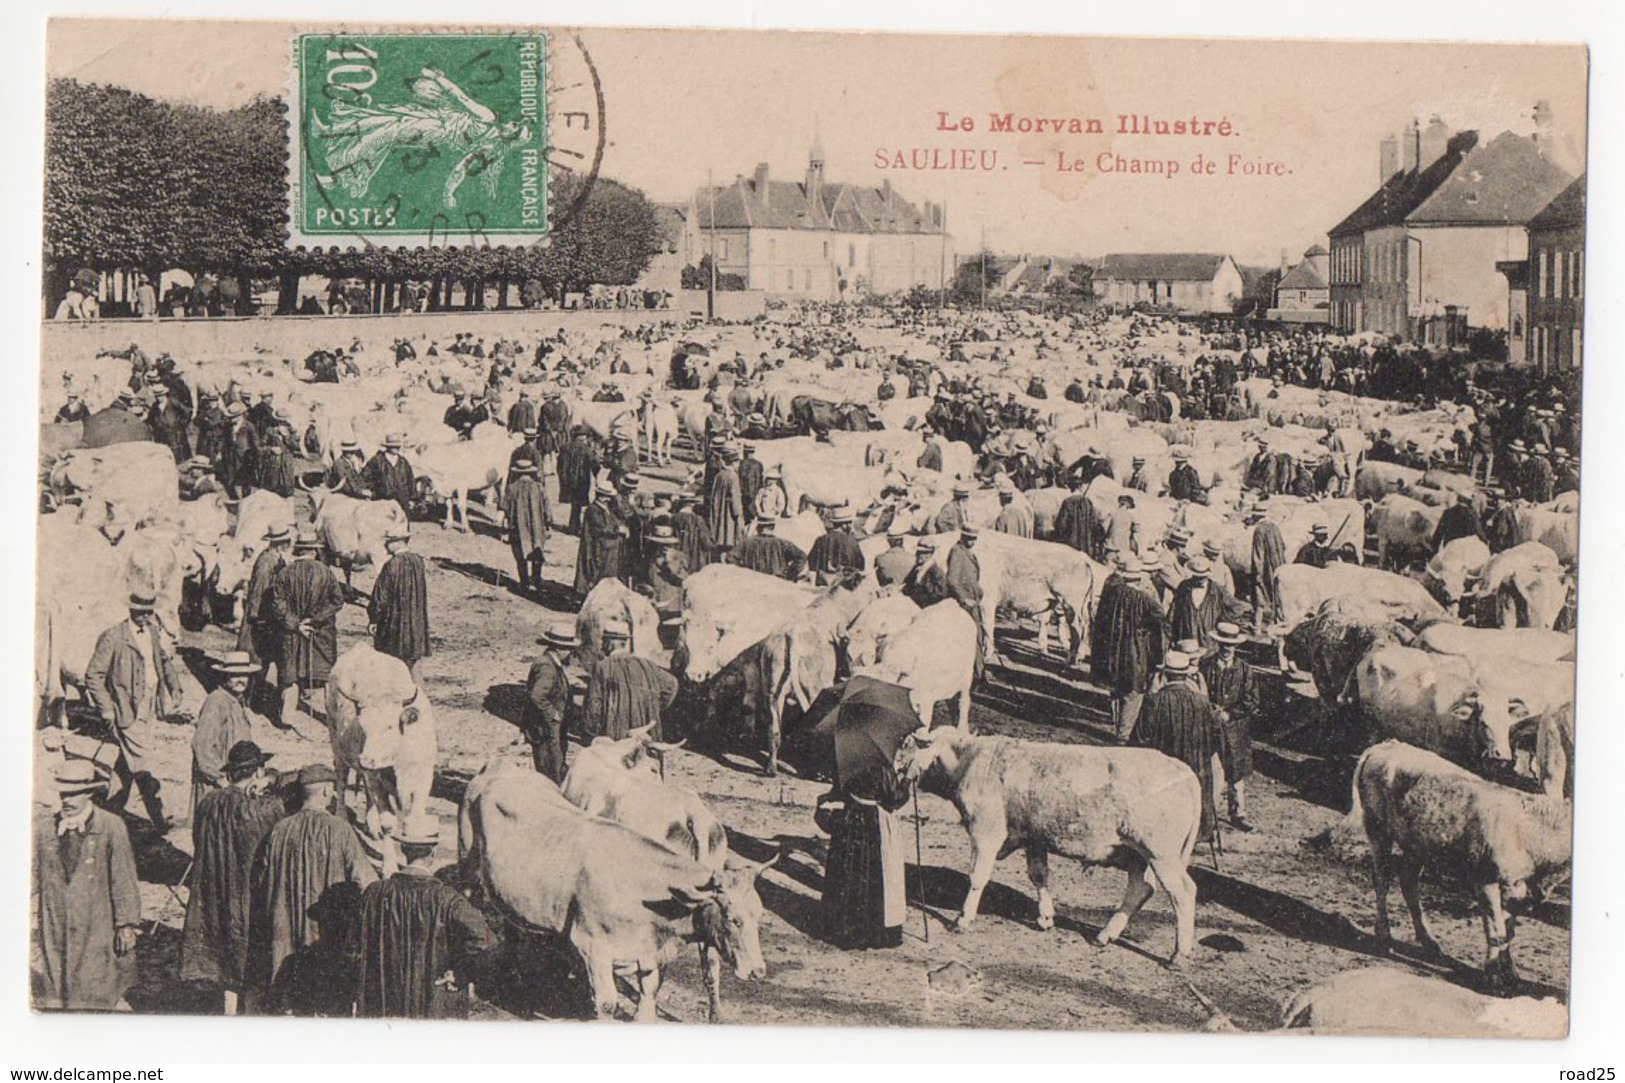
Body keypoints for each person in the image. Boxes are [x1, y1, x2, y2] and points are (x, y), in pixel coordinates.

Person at [252, 763, 376, 1004]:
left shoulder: (279, 830)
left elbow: (260, 880)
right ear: (327, 793)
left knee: (286, 1000)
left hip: (282, 932)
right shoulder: (340, 830)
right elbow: (366, 881)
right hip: (326, 934)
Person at [354, 814, 498, 1019]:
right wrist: (462, 973)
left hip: (384, 1004)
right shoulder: (448, 899)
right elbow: (487, 941)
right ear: (434, 852)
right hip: (433, 1007)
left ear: (402, 849)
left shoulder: (374, 894)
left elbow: (354, 947)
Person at [180, 741, 285, 1014]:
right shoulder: (262, 809)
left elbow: (197, 842)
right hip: (246, 898)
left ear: (230, 774)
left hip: (212, 895)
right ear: (258, 772)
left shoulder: (207, 804)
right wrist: (274, 780)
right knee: (248, 960)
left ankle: (226, 1009)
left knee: (220, 955)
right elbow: (305, 782)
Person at [32, 761, 141, 1011]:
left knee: (93, 989)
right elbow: (30, 876)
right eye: (63, 794)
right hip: (57, 924)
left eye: (74, 794)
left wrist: (126, 924)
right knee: (58, 989)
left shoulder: (110, 826)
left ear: (90, 792)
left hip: (96, 926)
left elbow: (123, 877)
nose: (67, 800)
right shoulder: (44, 828)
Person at [85, 590, 187, 831]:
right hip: (126, 708)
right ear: (131, 610)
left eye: (149, 611)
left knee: (127, 761)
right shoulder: (114, 637)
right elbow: (93, 675)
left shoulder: (152, 630)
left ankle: (111, 811)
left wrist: (175, 686)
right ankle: (160, 816)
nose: (145, 616)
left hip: (150, 703)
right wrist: (107, 709)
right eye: (140, 612)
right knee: (143, 760)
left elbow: (162, 659)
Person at [816, 744, 911, 950]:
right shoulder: (880, 763)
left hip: (849, 819)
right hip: (872, 823)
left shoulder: (844, 756)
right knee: (875, 873)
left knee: (848, 871)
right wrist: (908, 778)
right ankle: (871, 931)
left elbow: (839, 791)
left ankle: (841, 928)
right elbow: (894, 798)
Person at [1129, 651, 1218, 840]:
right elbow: (1216, 736)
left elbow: (1138, 740)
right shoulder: (1202, 702)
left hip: (1165, 772)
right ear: (1186, 675)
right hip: (1196, 769)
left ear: (1164, 675)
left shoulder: (1156, 701)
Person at [268, 530, 346, 731]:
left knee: (290, 674)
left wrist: (296, 623)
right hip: (320, 633)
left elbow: (277, 604)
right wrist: (315, 618)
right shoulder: (326, 573)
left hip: (291, 633)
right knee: (326, 674)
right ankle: (332, 718)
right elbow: (337, 601)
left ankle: (287, 718)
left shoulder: (284, 574)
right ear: (313, 551)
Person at [1091, 558, 1168, 742]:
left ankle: (1117, 724)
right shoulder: (1143, 600)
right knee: (1132, 694)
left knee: (1116, 688)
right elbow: (1161, 621)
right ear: (1139, 578)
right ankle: (1123, 736)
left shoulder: (1111, 594)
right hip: (1135, 652)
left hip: (1111, 651)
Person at [1199, 623, 1258, 832]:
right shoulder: (1205, 666)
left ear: (1236, 646)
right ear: (1218, 643)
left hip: (1235, 730)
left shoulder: (1245, 670)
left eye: (1231, 645)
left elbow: (1252, 701)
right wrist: (1211, 710)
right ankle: (1210, 815)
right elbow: (1199, 694)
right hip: (1211, 729)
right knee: (1213, 773)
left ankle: (1238, 814)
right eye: (1224, 644)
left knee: (1236, 775)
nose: (1227, 648)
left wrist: (1230, 713)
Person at [191, 651, 261, 821]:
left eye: (244, 675)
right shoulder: (216, 702)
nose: (241, 680)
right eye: (235, 675)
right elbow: (202, 745)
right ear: (225, 676)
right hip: (218, 785)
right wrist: (221, 779)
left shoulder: (236, 701)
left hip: (235, 782)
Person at [581, 623, 679, 742]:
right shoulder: (647, 664)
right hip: (647, 730)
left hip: (616, 733)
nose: (601, 645)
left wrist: (589, 735)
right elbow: (671, 684)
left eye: (604, 640)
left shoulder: (603, 667)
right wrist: (653, 706)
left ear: (610, 642)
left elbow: (594, 705)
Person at [238, 524, 293, 708]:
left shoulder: (274, 559)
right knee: (253, 658)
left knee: (263, 658)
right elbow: (258, 592)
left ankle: (254, 697)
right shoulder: (266, 562)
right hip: (260, 617)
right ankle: (247, 698)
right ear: (280, 543)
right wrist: (256, 617)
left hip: (267, 617)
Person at [523, 622, 584, 781]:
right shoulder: (546, 667)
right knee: (551, 771)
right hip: (546, 730)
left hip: (549, 729)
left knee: (555, 767)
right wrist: (554, 715)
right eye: (569, 648)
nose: (571, 653)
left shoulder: (550, 663)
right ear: (559, 648)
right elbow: (537, 696)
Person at [369, 527, 430, 680]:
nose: (385, 546)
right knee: (415, 663)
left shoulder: (391, 565)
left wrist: (374, 618)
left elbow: (380, 597)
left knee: (392, 664)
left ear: (397, 542)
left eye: (388, 542)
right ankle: (419, 698)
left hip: (395, 624)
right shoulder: (418, 561)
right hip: (417, 622)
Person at [501, 456, 550, 596]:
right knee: (537, 553)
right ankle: (537, 581)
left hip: (518, 528)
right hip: (537, 528)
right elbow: (547, 509)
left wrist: (506, 524)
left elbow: (506, 509)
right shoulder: (539, 487)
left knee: (520, 556)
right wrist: (548, 523)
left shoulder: (512, 488)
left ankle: (524, 583)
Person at [1168, 557, 1238, 652]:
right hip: (1187, 643)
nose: (1199, 579)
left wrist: (1221, 621)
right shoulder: (1184, 587)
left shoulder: (1217, 590)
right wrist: (1172, 636)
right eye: (1196, 576)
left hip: (1209, 644)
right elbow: (1173, 612)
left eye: (1202, 576)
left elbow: (1238, 607)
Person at [574, 480, 628, 602]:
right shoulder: (593, 510)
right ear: (603, 497)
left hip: (606, 548)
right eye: (608, 497)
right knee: (596, 574)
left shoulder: (605, 508)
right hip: (597, 548)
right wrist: (618, 530)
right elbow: (601, 528)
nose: (609, 499)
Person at [945, 527, 986, 679]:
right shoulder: (957, 552)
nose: (972, 541)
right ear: (963, 537)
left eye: (974, 538)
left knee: (978, 638)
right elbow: (952, 580)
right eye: (969, 538)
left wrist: (979, 590)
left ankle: (978, 673)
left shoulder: (967, 552)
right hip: (964, 605)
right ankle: (976, 676)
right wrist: (964, 598)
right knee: (972, 639)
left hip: (973, 602)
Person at [731, 516, 807, 580]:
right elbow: (802, 556)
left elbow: (731, 558)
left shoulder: (747, 542)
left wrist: (744, 571)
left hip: (753, 582)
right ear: (773, 527)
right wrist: (789, 574)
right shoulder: (782, 544)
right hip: (777, 582)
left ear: (758, 527)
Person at [1247, 503, 1286, 629]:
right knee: (1277, 595)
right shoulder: (1275, 527)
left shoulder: (1259, 529)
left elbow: (1258, 553)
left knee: (1259, 595)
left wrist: (1257, 573)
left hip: (1264, 568)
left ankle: (1257, 626)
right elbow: (1283, 546)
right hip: (1278, 566)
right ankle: (1275, 624)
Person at [808, 507, 866, 585]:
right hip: (844, 585)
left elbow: (811, 564)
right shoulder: (851, 541)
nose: (851, 526)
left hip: (823, 585)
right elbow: (860, 565)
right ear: (844, 525)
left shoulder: (821, 540)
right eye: (850, 523)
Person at [556, 428, 598, 534]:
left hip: (568, 481)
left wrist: (562, 477)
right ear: (583, 438)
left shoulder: (565, 447)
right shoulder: (586, 449)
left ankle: (574, 525)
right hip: (581, 481)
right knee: (577, 504)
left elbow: (559, 465)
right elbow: (595, 464)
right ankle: (575, 527)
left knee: (574, 504)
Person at [363, 434, 416, 517]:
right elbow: (366, 477)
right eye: (394, 446)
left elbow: (411, 480)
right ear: (388, 447)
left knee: (402, 526)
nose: (397, 448)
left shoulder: (403, 462)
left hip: (402, 501)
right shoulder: (377, 460)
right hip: (383, 501)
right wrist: (373, 493)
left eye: (398, 446)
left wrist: (412, 499)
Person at [1052, 474, 1103, 560]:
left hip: (1071, 545)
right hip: (1086, 545)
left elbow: (1061, 525)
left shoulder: (1067, 502)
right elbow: (1094, 523)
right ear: (1080, 486)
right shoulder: (1088, 502)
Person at [708, 445, 746, 557]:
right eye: (737, 462)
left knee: (720, 536)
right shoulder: (733, 476)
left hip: (718, 510)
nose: (738, 465)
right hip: (729, 513)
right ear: (733, 463)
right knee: (729, 537)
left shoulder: (719, 475)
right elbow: (735, 498)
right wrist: (739, 515)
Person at [645, 525, 688, 622]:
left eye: (667, 544)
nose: (664, 547)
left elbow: (683, 578)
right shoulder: (650, 558)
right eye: (659, 544)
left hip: (673, 605)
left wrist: (670, 563)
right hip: (654, 604)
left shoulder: (679, 556)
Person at [671, 492, 715, 572]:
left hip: (676, 555)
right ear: (692, 504)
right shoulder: (698, 520)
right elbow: (706, 541)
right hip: (694, 557)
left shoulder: (673, 518)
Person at [737, 443, 766, 521]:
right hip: (755, 494)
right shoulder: (759, 464)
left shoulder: (741, 464)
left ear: (745, 452)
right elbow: (761, 480)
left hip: (743, 494)